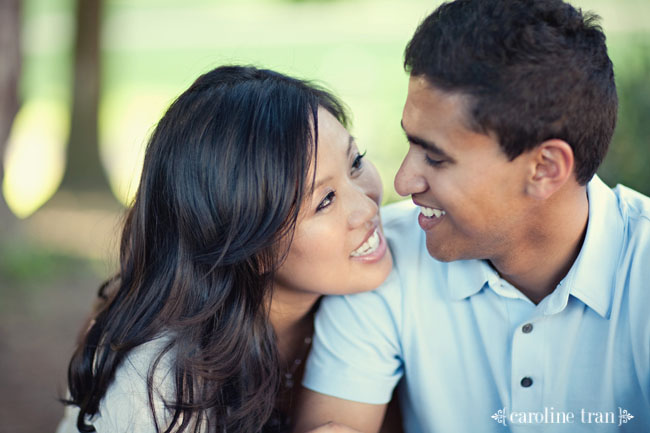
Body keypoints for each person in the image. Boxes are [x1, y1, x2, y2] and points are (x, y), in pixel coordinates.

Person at [293, 0, 650, 432]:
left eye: (437, 158)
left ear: (545, 169)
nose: (403, 182)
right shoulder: (385, 257)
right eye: (410, 143)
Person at [57, 65, 393, 433]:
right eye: (325, 201)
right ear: (250, 245)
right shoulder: (158, 387)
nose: (369, 207)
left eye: (356, 162)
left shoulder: (375, 309)